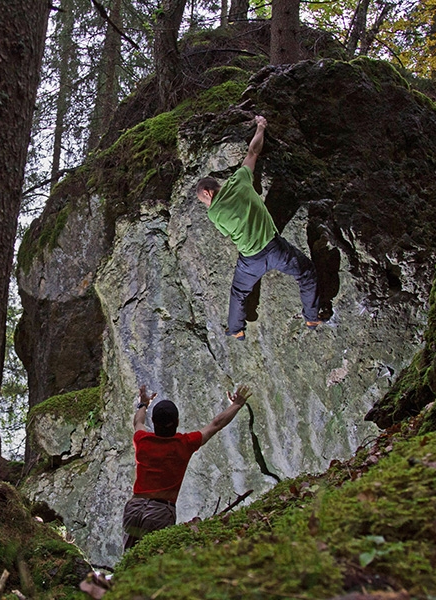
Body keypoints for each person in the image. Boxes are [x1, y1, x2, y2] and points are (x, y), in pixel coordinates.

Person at [195, 115, 321, 341]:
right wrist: (261, 127)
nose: (206, 204)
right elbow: (253, 152)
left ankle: (236, 330)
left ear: (207, 193)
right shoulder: (240, 180)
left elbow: (226, 232)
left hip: (250, 259)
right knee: (306, 272)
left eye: (203, 200)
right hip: (275, 249)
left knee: (239, 293)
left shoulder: (214, 213)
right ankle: (311, 316)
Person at [122, 383, 251, 551]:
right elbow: (216, 424)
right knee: (154, 561)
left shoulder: (142, 440)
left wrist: (143, 404)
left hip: (135, 507)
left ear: (153, 422)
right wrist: (237, 404)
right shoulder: (185, 443)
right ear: (177, 422)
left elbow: (138, 422)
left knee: (129, 559)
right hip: (160, 512)